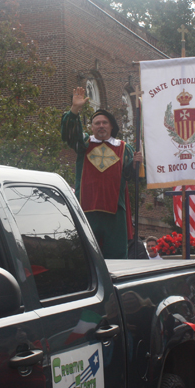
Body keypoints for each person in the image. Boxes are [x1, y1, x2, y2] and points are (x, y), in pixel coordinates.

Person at [61, 87, 142, 259]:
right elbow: (70, 136)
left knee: (117, 257)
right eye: (97, 123)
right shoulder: (84, 143)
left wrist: (136, 164)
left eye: (104, 123)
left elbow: (130, 177)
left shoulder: (123, 148)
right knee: (87, 256)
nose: (101, 126)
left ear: (112, 126)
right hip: (86, 208)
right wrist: (75, 110)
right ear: (91, 127)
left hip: (115, 211)